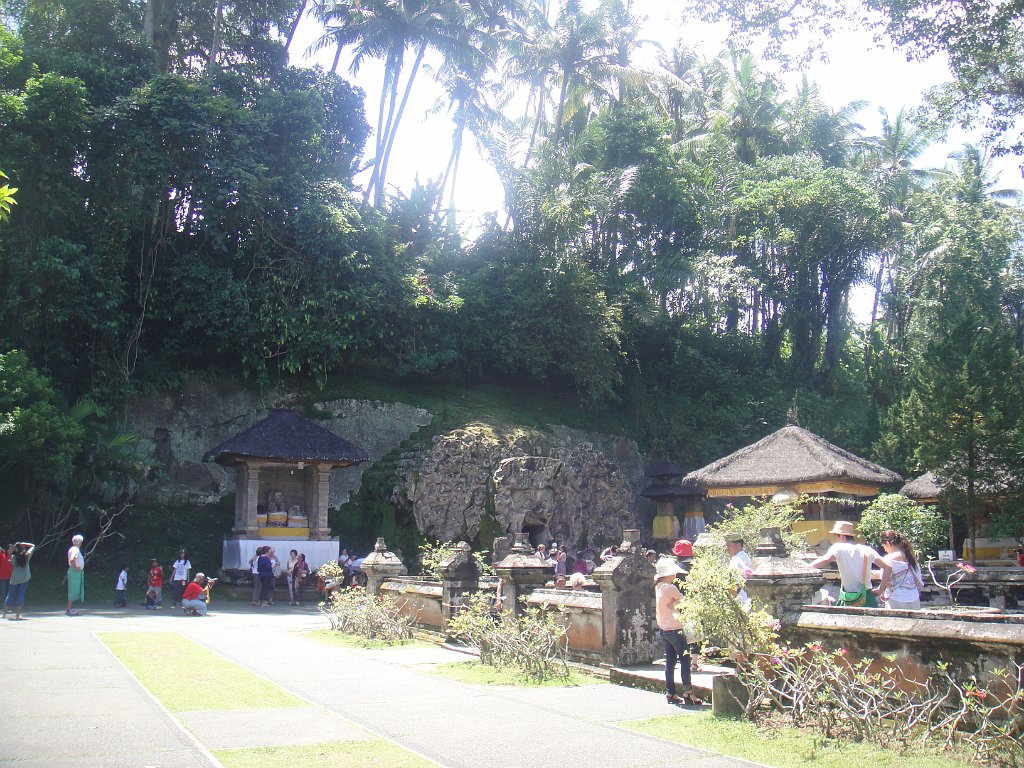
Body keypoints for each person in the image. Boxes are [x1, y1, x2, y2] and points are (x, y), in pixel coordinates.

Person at [810, 521, 892, 607]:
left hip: (847, 598)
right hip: (867, 597)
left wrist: (807, 567)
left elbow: (825, 560)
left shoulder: (838, 548)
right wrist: (880, 590)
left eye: (835, 537)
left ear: (842, 536)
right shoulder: (867, 550)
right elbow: (888, 567)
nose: (835, 540)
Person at [654, 557, 697, 705]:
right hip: (675, 629)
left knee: (670, 662)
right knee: (685, 660)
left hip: (664, 629)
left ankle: (670, 692)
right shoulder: (670, 588)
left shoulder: (659, 587)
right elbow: (685, 602)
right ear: (669, 574)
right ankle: (688, 691)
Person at [880, 530, 924, 610]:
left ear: (888, 543)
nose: (885, 550)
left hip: (896, 599)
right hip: (914, 598)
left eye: (884, 546)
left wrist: (880, 590)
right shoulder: (911, 557)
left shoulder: (888, 559)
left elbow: (884, 579)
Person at [3, 542, 35, 620]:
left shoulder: (13, 557)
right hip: (24, 578)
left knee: (10, 595)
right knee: (21, 595)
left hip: (15, 578)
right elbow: (33, 546)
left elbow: (12, 563)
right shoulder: (27, 555)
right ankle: (18, 615)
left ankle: (4, 614)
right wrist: (23, 544)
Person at [724, 533, 752, 609]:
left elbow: (734, 585)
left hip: (740, 602)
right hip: (747, 600)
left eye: (729, 545)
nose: (727, 548)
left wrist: (728, 603)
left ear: (739, 545)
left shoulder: (736, 560)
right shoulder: (745, 557)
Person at [66, 534, 85, 616]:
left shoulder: (73, 549)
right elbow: (72, 559)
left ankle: (70, 608)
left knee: (74, 589)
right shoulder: (76, 549)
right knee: (73, 590)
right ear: (79, 542)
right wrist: (76, 567)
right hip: (74, 571)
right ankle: (69, 609)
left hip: (74, 571)